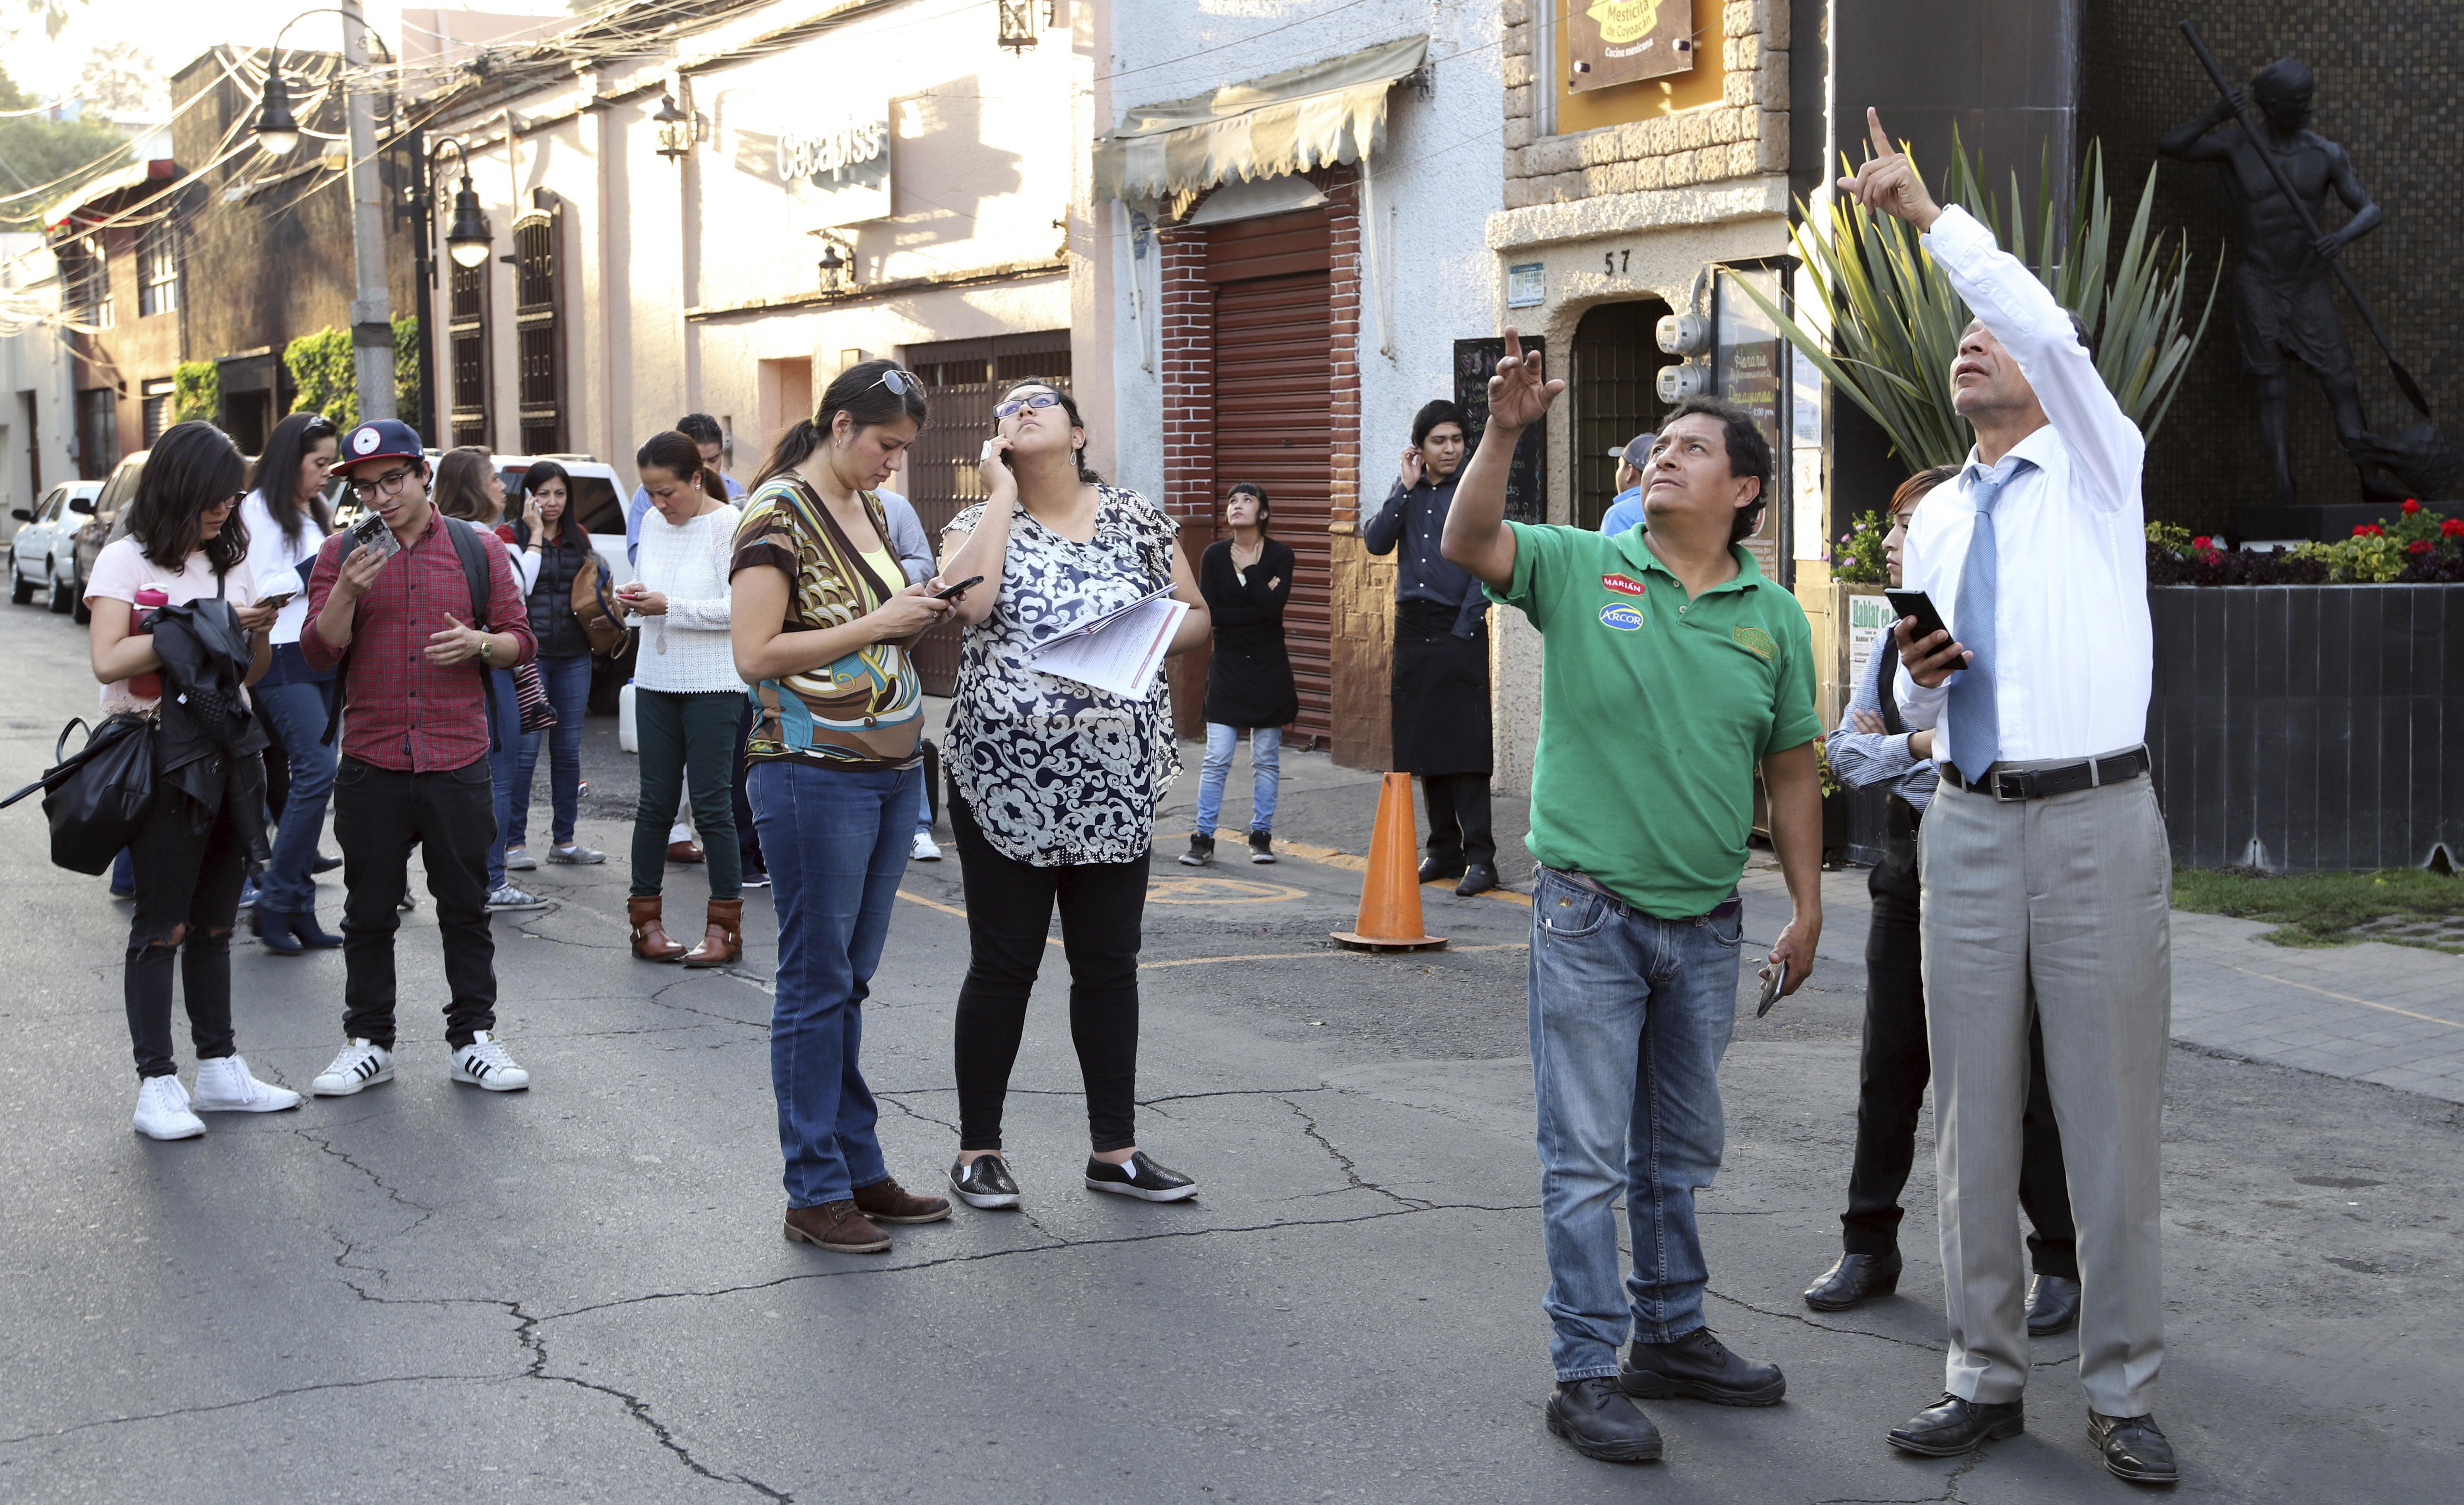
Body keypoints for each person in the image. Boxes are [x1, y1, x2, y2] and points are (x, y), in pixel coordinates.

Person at [1845, 110, 2178, 1486]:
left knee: (2104, 1120)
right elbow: (1924, 705)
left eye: (1989, 337)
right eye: (1956, 337)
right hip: (1964, 817)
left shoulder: (2099, 465)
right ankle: (1980, 1372)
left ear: (2046, 374)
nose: (1969, 344)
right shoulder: (1932, 517)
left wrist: (1930, 225)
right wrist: (1921, 684)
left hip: (2097, 821)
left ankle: (2119, 1385)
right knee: (1969, 1117)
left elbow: (2035, 315)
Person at [1441, 349, 1825, 1464]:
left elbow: (1793, 768)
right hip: (1590, 915)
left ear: (1745, 490)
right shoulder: (1583, 566)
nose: (1667, 457)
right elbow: (1469, 544)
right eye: (1662, 447)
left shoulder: (1775, 617)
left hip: (1709, 922)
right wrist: (1502, 435)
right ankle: (1588, 1369)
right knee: (1589, 1156)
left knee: (1679, 1149)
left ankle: (1672, 1333)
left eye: (1694, 448)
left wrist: (1807, 908)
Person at [1800, 466, 2081, 1341]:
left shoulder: (2017, 635)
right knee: (1891, 1064)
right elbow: (1843, 754)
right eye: (1892, 527)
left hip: (2003, 867)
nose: (1891, 542)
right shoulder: (1892, 642)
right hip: (1907, 863)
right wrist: (1924, 740)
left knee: (2022, 1073)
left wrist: (1913, 746)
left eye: (1913, 526)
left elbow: (2006, 753)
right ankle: (1868, 1243)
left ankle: (2062, 1259)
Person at [936, 377, 1210, 1210]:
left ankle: (1115, 1152)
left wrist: (1142, 632)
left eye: (1039, 405)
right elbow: (971, 605)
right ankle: (978, 1149)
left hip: (1113, 777)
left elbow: (1197, 617)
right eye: (1008, 411)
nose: (1021, 413)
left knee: (1107, 965)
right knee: (1004, 963)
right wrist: (1001, 494)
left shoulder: (1136, 518)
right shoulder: (978, 520)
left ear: (1080, 432)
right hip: (1004, 778)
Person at [730, 359, 957, 1253]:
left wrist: (917, 612)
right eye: (885, 445)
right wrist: (881, 625)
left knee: (844, 983)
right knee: (815, 983)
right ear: (837, 425)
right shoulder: (776, 512)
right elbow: (755, 653)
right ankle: (813, 1190)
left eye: (904, 449)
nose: (893, 464)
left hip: (889, 773)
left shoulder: (867, 507)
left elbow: (867, 623)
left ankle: (855, 1167)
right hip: (809, 768)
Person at [302, 418, 539, 1098]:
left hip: (456, 756)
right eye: (367, 487)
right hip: (373, 759)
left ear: (423, 476)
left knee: (465, 906)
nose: (382, 497)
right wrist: (346, 588)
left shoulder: (479, 548)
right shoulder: (339, 553)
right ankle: (368, 1041)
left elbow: (521, 640)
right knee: (368, 911)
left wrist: (480, 645)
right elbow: (321, 653)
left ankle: (473, 1039)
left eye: (394, 481)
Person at [85, 421, 300, 1138]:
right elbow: (110, 660)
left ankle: (219, 1068)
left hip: (229, 755)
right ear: (180, 487)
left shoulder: (225, 561)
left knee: (214, 922)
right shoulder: (124, 560)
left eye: (232, 497)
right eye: (215, 496)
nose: (225, 509)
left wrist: (257, 629)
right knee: (162, 925)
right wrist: (205, 621)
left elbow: (249, 675)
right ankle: (156, 1083)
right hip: (158, 757)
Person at [2158, 59, 2384, 507]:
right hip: (2258, 283)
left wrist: (2340, 237)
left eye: (2307, 99)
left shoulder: (2323, 153)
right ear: (2270, 105)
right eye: (2295, 102)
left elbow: (2369, 209)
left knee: (2340, 379)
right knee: (2271, 387)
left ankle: (2369, 477)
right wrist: (2214, 115)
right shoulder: (2237, 144)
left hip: (2307, 285)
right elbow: (2171, 145)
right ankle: (2283, 486)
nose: (2305, 108)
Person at [619, 430, 745, 968]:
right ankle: (645, 922)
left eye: (667, 491)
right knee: (654, 804)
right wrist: (630, 601)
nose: (658, 503)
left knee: (713, 806)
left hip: (715, 682)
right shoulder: (650, 521)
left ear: (696, 479)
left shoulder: (727, 524)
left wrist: (666, 605)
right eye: (649, 492)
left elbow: (740, 608)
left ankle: (725, 929)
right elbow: (646, 596)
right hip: (654, 675)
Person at [1365, 399, 1497, 895]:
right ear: (1418, 448)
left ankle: (1481, 858)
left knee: (1465, 746)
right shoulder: (1409, 491)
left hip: (1457, 628)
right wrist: (1403, 487)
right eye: (1438, 441)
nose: (1449, 449)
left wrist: (1464, 628)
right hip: (1411, 628)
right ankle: (1443, 849)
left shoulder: (1474, 490)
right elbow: (1376, 542)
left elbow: (1485, 565)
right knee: (1423, 743)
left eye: (1457, 440)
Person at [237, 411, 345, 954]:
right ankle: (276, 898)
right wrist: (331, 559)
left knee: (307, 776)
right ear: (289, 460)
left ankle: (298, 907)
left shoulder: (312, 510)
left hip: (318, 651)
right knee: (317, 771)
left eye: (331, 462)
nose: (328, 472)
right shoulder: (256, 510)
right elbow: (264, 589)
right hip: (276, 654)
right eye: (319, 462)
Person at [433, 447, 544, 914]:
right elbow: (518, 603)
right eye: (494, 478)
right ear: (475, 486)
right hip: (489, 668)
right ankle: (493, 878)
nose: (503, 486)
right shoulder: (483, 540)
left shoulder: (436, 538)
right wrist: (534, 537)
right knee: (498, 775)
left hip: (453, 672)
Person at [494, 459, 604, 871]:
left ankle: (565, 839)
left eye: (559, 494)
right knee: (524, 751)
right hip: (529, 657)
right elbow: (517, 586)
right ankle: (514, 842)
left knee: (567, 749)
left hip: (575, 654)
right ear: (527, 496)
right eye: (543, 494)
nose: (552, 502)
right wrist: (536, 535)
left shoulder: (579, 536)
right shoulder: (508, 535)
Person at [1180, 481, 1294, 866]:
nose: (1237, 505)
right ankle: (1203, 837)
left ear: (1263, 513)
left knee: (1266, 757)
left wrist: (1253, 574)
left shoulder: (1281, 554)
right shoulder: (1213, 556)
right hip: (1228, 666)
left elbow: (1275, 611)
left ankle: (1261, 836)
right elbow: (1213, 614)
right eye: (1232, 500)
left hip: (1268, 667)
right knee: (1217, 756)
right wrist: (1260, 600)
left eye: (1247, 500)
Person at [872, 484, 943, 863]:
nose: (892, 463)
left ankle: (917, 827)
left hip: (892, 640)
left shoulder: (894, 506)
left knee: (906, 730)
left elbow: (923, 562)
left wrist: (887, 573)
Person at [627, 412, 745, 565]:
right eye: (700, 460)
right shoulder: (650, 506)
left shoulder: (733, 497)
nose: (707, 467)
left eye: (713, 459)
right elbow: (638, 555)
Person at [1596, 432, 1656, 537]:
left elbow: (1612, 553)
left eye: (1620, 466)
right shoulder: (1677, 506)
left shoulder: (1619, 514)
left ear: (1630, 472)